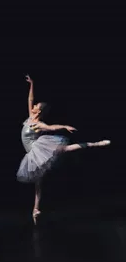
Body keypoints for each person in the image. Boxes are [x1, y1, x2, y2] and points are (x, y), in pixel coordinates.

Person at [17, 75, 111, 224]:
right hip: (31, 154)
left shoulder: (39, 124)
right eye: (34, 105)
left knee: (65, 149)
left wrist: (64, 126)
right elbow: (30, 99)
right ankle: (35, 210)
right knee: (38, 183)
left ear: (39, 111)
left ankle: (96, 144)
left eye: (36, 106)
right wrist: (32, 84)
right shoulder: (30, 116)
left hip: (37, 149)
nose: (33, 106)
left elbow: (51, 127)